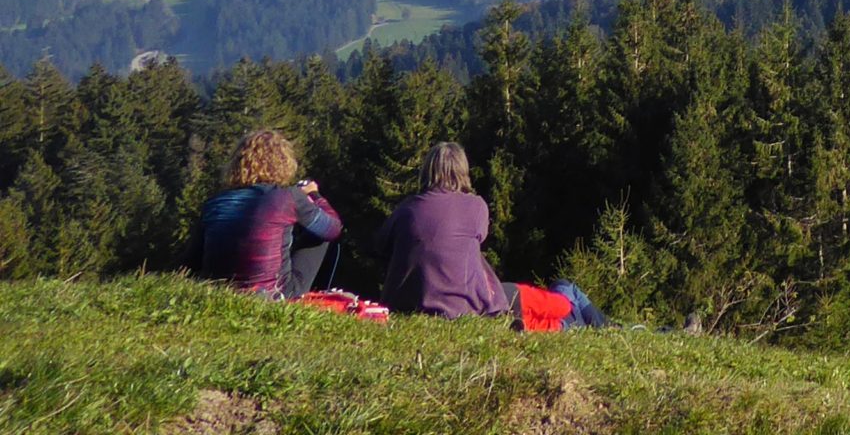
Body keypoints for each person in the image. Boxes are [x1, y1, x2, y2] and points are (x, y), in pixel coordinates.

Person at [376, 142, 606, 329]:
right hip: (473, 302)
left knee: (542, 313)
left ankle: (571, 325)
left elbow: (380, 247)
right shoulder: (475, 206)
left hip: (417, 304)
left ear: (426, 172)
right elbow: (480, 236)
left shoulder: (405, 210)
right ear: (462, 171)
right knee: (564, 298)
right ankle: (600, 324)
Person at [193, 128, 343, 300]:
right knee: (319, 233)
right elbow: (333, 228)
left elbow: (192, 259)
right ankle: (314, 295)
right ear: (283, 163)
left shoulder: (215, 202)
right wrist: (314, 195)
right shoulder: (288, 196)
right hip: (272, 295)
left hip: (217, 292)